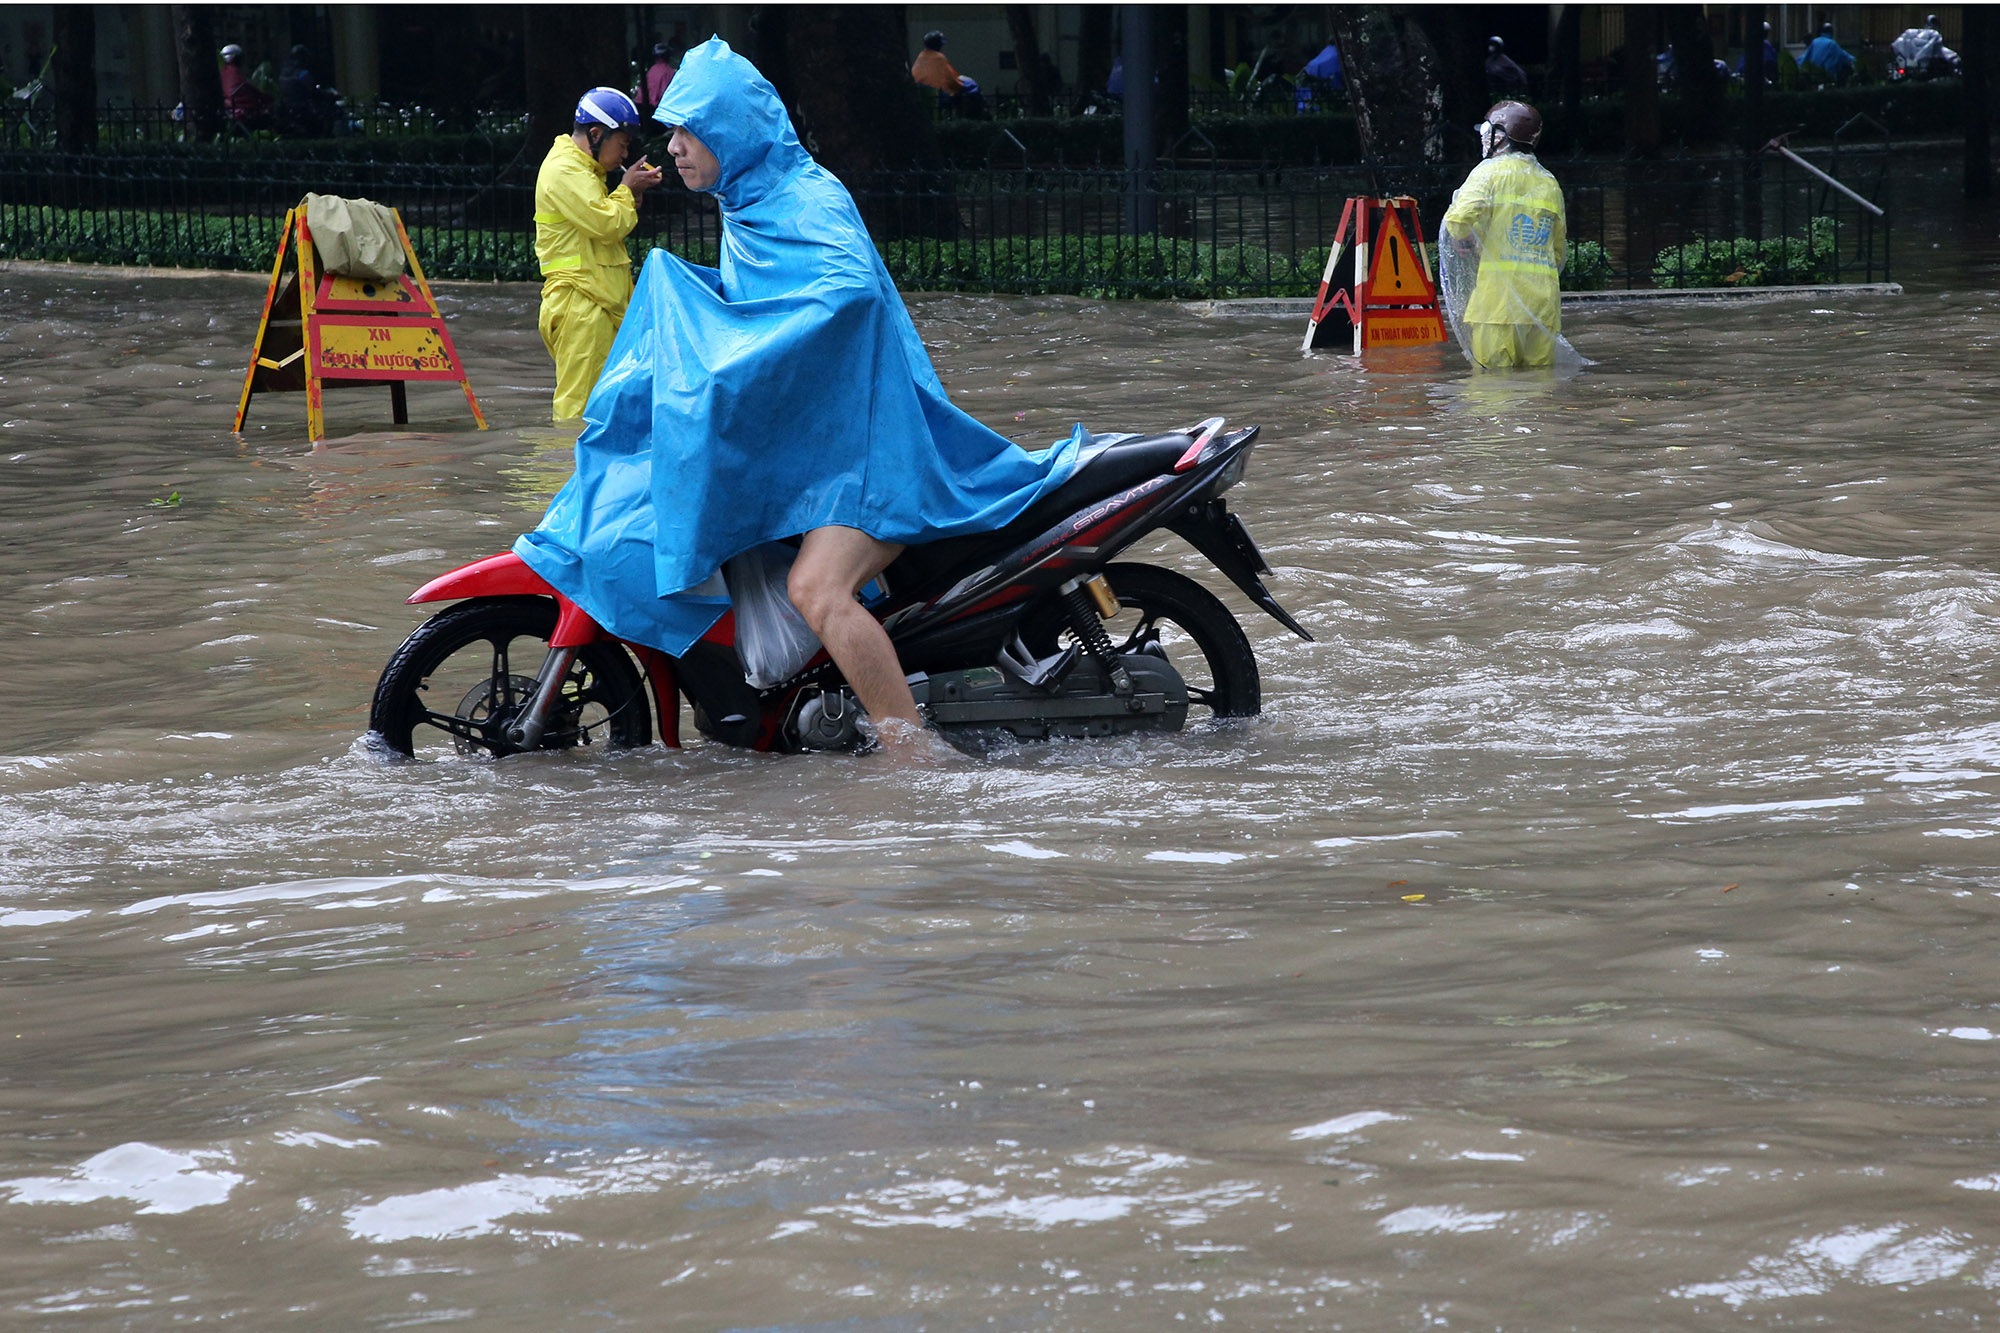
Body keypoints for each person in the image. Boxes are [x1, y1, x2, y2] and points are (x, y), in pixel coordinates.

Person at [514, 38, 1085, 750]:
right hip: (826, 451)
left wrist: (732, 355)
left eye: (692, 130)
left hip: (873, 450)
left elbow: (844, 300)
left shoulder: (804, 200)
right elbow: (771, 306)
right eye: (673, 131)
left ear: (734, 132)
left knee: (816, 590)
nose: (676, 147)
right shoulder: (747, 205)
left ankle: (912, 761)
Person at [532, 87, 664, 421]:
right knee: (579, 416)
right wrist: (627, 190)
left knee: (613, 411)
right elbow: (607, 224)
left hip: (600, 305)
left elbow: (602, 232)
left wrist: (628, 195)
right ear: (595, 134)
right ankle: (565, 472)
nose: (624, 154)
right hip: (582, 308)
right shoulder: (565, 170)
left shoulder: (585, 172)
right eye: (622, 144)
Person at [1438, 100, 1577, 371]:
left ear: (1499, 136)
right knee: (1540, 390)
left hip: (1496, 307)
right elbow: (1558, 250)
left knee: (1494, 391)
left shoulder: (1488, 173)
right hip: (1541, 307)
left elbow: (1458, 218)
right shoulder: (1549, 182)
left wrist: (1462, 237)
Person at [218, 43, 272, 127]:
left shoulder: (223, 72)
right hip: (241, 107)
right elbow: (248, 88)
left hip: (228, 107)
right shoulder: (234, 73)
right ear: (237, 58)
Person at [633, 41, 676, 119]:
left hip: (641, 107)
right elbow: (666, 94)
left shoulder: (651, 71)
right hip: (656, 111)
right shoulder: (668, 71)